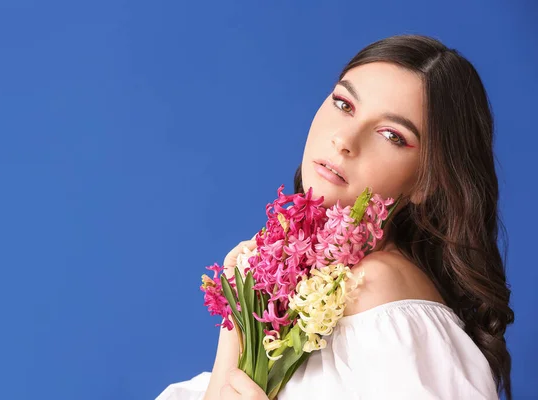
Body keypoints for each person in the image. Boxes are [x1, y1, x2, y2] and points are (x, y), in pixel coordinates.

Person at [156, 34, 514, 400]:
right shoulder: (320, 283)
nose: (345, 139)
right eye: (343, 104)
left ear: (428, 182)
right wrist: (239, 317)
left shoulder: (378, 289)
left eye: (392, 135)